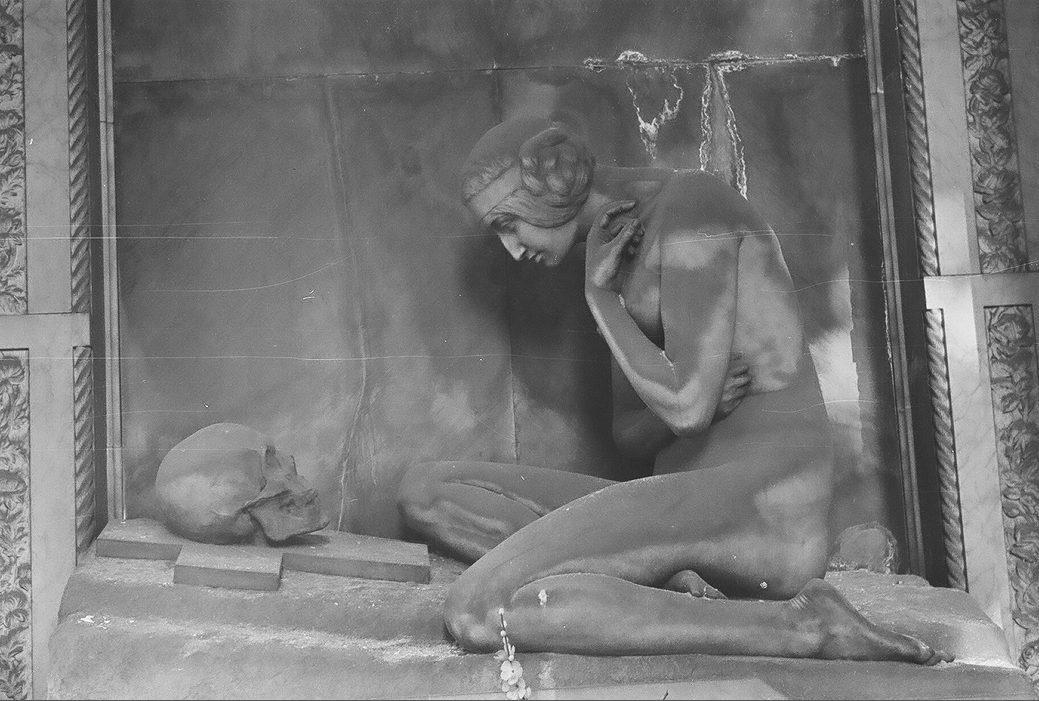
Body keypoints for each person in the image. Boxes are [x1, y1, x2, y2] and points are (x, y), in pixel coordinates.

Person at [397, 116, 950, 664]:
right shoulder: (612, 250)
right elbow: (632, 434)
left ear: (551, 179)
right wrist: (678, 392)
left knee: (477, 610)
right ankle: (641, 574)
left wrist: (603, 303)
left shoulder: (692, 209)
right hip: (688, 501)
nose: (513, 249)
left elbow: (686, 409)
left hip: (767, 507)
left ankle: (803, 626)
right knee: (427, 491)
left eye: (508, 222)